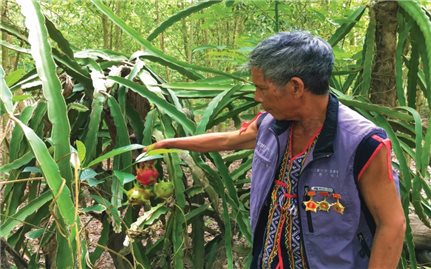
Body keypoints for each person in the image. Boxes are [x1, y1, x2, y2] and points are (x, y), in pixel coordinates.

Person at [148, 31, 405, 269]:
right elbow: (228, 141)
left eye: (262, 87)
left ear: (296, 86)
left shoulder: (364, 144)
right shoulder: (271, 125)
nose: (257, 97)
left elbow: (392, 224)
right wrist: (170, 144)